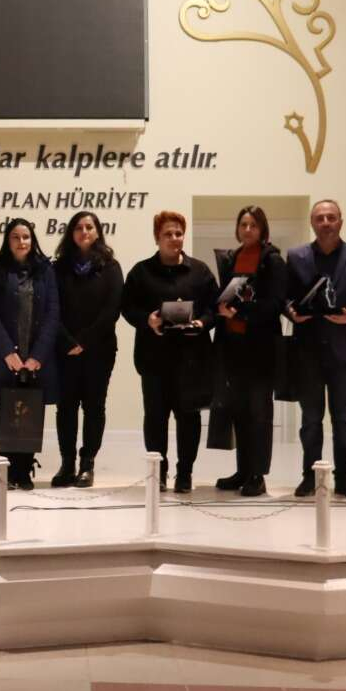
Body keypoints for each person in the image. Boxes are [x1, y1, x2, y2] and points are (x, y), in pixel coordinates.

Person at [285, 200, 346, 499]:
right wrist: (290, 312)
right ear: (312, 223)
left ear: (340, 221)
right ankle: (310, 477)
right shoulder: (296, 256)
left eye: (331, 217)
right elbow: (285, 297)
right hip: (307, 351)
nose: (326, 222)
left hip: (344, 351)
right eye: (320, 218)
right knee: (311, 420)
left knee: (343, 420)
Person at [121, 210, 217, 493]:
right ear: (157, 238)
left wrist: (202, 322)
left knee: (189, 418)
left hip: (192, 360)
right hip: (153, 360)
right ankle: (158, 472)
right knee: (155, 418)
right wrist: (147, 320)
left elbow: (214, 308)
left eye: (178, 233)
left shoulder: (200, 271)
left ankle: (185, 473)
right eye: (168, 234)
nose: (174, 238)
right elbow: (127, 307)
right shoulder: (140, 272)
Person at [213, 206, 287, 498]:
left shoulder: (273, 261)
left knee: (259, 413)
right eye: (243, 224)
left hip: (261, 348)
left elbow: (275, 304)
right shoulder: (231, 259)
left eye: (253, 225)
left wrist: (240, 313)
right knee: (239, 411)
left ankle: (258, 475)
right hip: (233, 347)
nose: (247, 229)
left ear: (262, 229)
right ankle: (243, 470)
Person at [0, 218, 60, 491]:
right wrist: (7, 352)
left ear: (32, 239)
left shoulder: (45, 270)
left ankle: (24, 470)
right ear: (8, 241)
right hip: (5, 358)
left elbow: (53, 313)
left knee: (31, 414)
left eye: (26, 237)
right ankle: (7, 468)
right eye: (15, 237)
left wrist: (37, 356)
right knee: (6, 413)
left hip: (35, 359)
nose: (21, 242)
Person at [51, 210, 122, 489]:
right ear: (71, 233)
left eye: (89, 227)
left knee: (94, 407)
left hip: (99, 350)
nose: (84, 232)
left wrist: (84, 341)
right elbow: (51, 308)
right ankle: (67, 463)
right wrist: (68, 341)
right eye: (79, 227)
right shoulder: (58, 268)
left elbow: (112, 309)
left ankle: (87, 464)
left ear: (97, 232)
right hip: (64, 350)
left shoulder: (110, 267)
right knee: (66, 407)